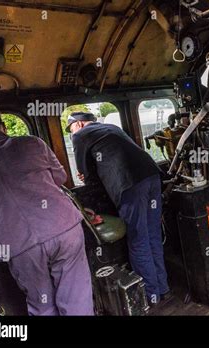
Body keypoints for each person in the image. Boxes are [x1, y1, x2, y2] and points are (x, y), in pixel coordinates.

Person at [0, 105, 94, 315]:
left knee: (42, 304)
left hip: (17, 245)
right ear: (3, 126)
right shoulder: (32, 142)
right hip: (63, 228)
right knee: (76, 295)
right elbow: (60, 178)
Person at [67, 111, 170, 305]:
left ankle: (151, 296)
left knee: (139, 240)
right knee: (153, 235)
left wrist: (86, 176)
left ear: (79, 124)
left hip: (129, 183)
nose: (71, 133)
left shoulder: (80, 135)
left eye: (70, 128)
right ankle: (162, 288)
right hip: (152, 175)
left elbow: (86, 173)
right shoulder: (112, 127)